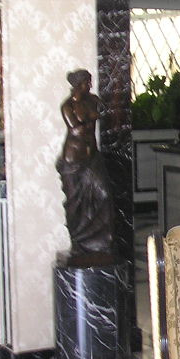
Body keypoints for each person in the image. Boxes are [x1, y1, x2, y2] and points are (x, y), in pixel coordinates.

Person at [56, 69, 115, 261]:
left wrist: (95, 112)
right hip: (73, 159)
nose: (90, 85)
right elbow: (77, 128)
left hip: (92, 156)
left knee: (104, 194)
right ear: (78, 84)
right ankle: (78, 242)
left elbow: (106, 111)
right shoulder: (67, 106)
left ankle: (101, 242)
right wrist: (92, 115)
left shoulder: (93, 100)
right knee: (75, 202)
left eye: (90, 82)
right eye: (87, 82)